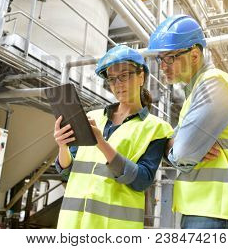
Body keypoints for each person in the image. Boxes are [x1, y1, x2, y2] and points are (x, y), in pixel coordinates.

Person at [146, 15, 228, 229]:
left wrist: (179, 146)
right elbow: (179, 147)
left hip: (223, 211)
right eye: (160, 59)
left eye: (170, 58)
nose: (163, 66)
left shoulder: (214, 84)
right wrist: (175, 145)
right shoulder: (196, 91)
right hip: (212, 209)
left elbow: (182, 152)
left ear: (194, 55)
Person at [54, 45, 174, 229]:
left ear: (141, 76)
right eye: (112, 79)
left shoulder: (157, 128)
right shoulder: (92, 117)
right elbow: (67, 170)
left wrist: (101, 143)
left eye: (124, 76)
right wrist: (62, 146)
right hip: (72, 225)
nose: (118, 84)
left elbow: (142, 180)